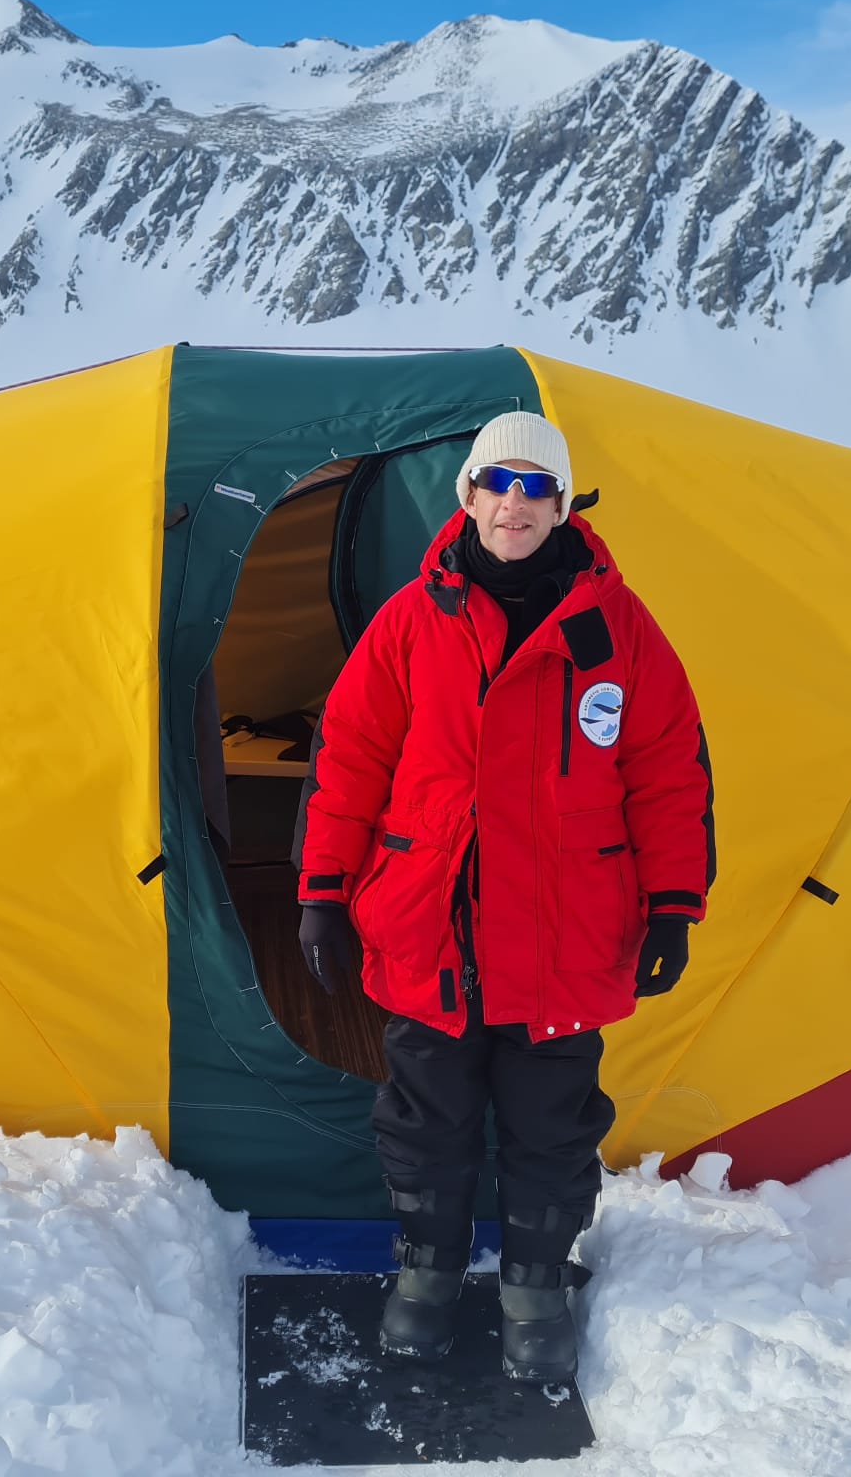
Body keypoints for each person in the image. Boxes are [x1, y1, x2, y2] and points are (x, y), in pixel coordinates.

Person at [295, 411, 716, 1382]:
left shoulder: (620, 632)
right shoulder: (413, 621)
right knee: (425, 1118)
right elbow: (350, 758)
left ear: (563, 507)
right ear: (469, 496)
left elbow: (669, 774)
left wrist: (673, 906)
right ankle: (427, 1277)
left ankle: (533, 1288)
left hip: (566, 933)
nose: (516, 505)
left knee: (551, 1125)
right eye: (500, 483)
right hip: (428, 923)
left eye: (537, 489)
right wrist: (322, 889)